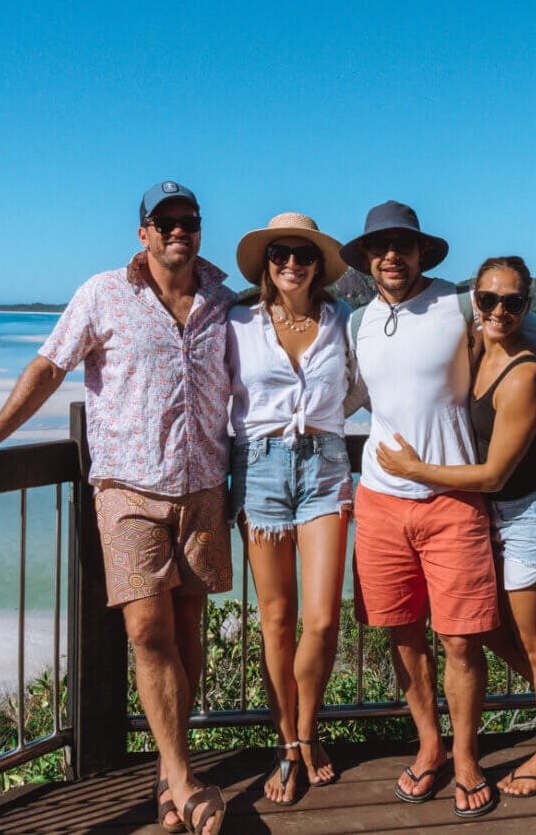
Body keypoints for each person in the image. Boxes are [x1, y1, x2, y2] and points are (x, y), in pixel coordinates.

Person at [0, 181, 232, 835]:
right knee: (148, 631)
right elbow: (48, 366)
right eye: (165, 221)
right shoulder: (103, 293)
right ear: (142, 231)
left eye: (189, 220)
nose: (179, 229)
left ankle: (168, 773)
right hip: (126, 490)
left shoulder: (222, 301)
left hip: (203, 487)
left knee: (189, 629)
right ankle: (182, 779)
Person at [340, 201, 536, 819]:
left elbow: (533, 331)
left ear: (421, 253)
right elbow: (356, 391)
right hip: (379, 499)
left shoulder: (460, 304)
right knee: (403, 635)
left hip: (455, 500)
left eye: (402, 245)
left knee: (462, 640)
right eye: (380, 247)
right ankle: (430, 746)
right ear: (367, 258)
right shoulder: (357, 322)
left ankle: (466, 757)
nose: (391, 256)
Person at [225, 212, 355, 804]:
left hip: (326, 468)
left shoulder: (342, 320)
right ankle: (287, 743)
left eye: (303, 255)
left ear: (320, 265)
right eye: (281, 254)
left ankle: (307, 731)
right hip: (260, 467)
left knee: (322, 620)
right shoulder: (238, 322)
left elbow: (369, 381)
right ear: (266, 264)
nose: (292, 264)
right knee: (277, 619)